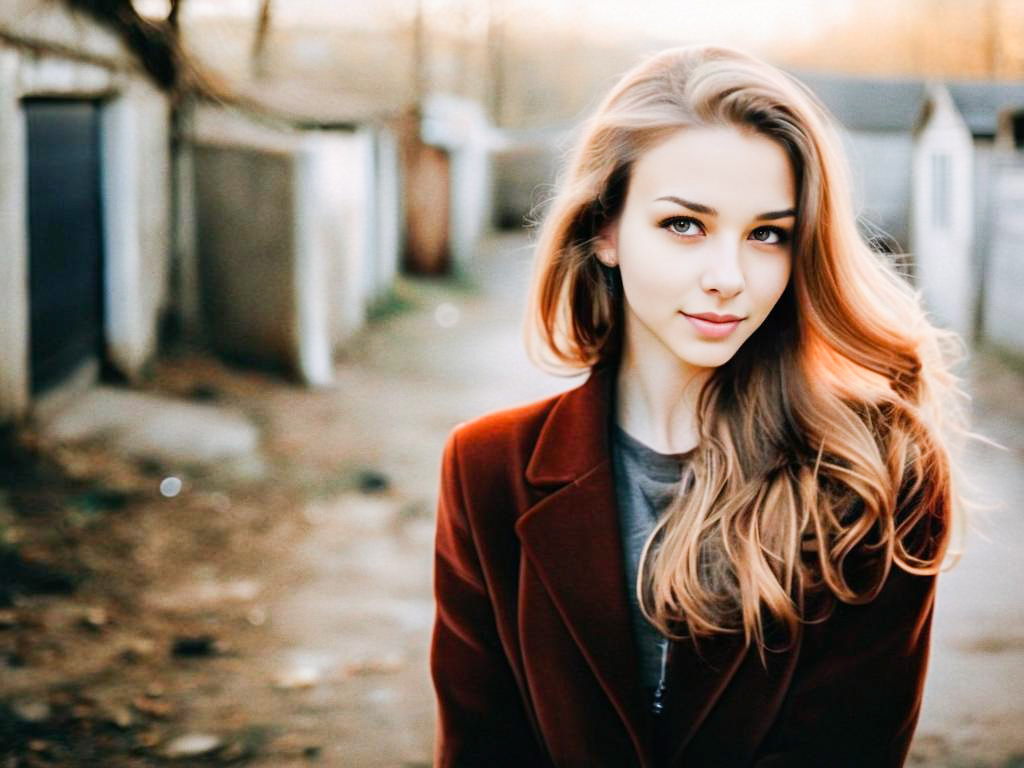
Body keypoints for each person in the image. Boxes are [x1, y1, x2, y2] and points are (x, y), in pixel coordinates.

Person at [429, 43, 972, 768]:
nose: (728, 277)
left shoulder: (875, 472)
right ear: (606, 229)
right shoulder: (487, 469)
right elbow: (480, 745)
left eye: (767, 234)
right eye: (684, 224)